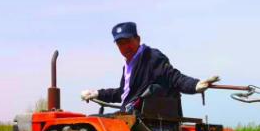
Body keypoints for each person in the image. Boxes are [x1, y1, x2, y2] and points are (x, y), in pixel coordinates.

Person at [80, 22, 219, 112]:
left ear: (138, 39)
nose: (125, 47)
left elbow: (173, 77)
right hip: (131, 113)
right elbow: (124, 93)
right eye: (120, 43)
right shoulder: (128, 65)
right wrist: (97, 93)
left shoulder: (151, 57)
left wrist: (195, 85)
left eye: (128, 41)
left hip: (139, 117)